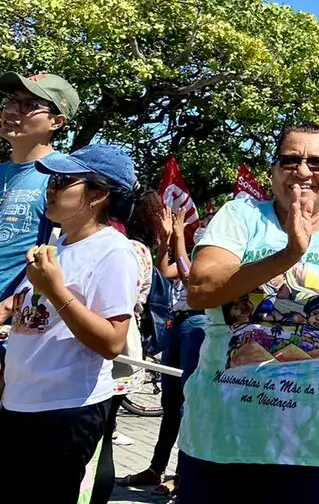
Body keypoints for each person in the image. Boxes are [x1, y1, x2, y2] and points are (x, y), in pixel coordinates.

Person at [178, 123, 319, 503]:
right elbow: (200, 290)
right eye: (290, 160)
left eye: (317, 162)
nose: (302, 171)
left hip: (315, 442)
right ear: (273, 169)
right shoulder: (242, 215)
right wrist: (288, 255)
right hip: (219, 435)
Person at [0, 143, 140, 504]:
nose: (50, 189)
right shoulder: (57, 245)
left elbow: (112, 341)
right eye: (50, 181)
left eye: (63, 181)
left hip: (65, 410)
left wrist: (55, 289)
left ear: (98, 194)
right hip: (20, 403)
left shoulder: (114, 251)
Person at [118, 204, 204, 498]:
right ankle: (156, 467)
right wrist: (167, 239)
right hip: (178, 323)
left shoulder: (212, 258)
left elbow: (189, 277)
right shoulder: (191, 252)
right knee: (170, 403)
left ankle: (181, 475)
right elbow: (165, 270)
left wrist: (179, 236)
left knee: (188, 403)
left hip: (198, 324)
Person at [92, 189, 156, 504]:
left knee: (97, 435)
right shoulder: (142, 251)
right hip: (127, 346)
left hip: (103, 342)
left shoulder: (117, 248)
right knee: (106, 433)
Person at [0, 72, 79, 302]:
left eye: (29, 105)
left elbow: (69, 253)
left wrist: (9, 307)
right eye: (12, 100)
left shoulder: (65, 175)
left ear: (56, 121)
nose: (12, 110)